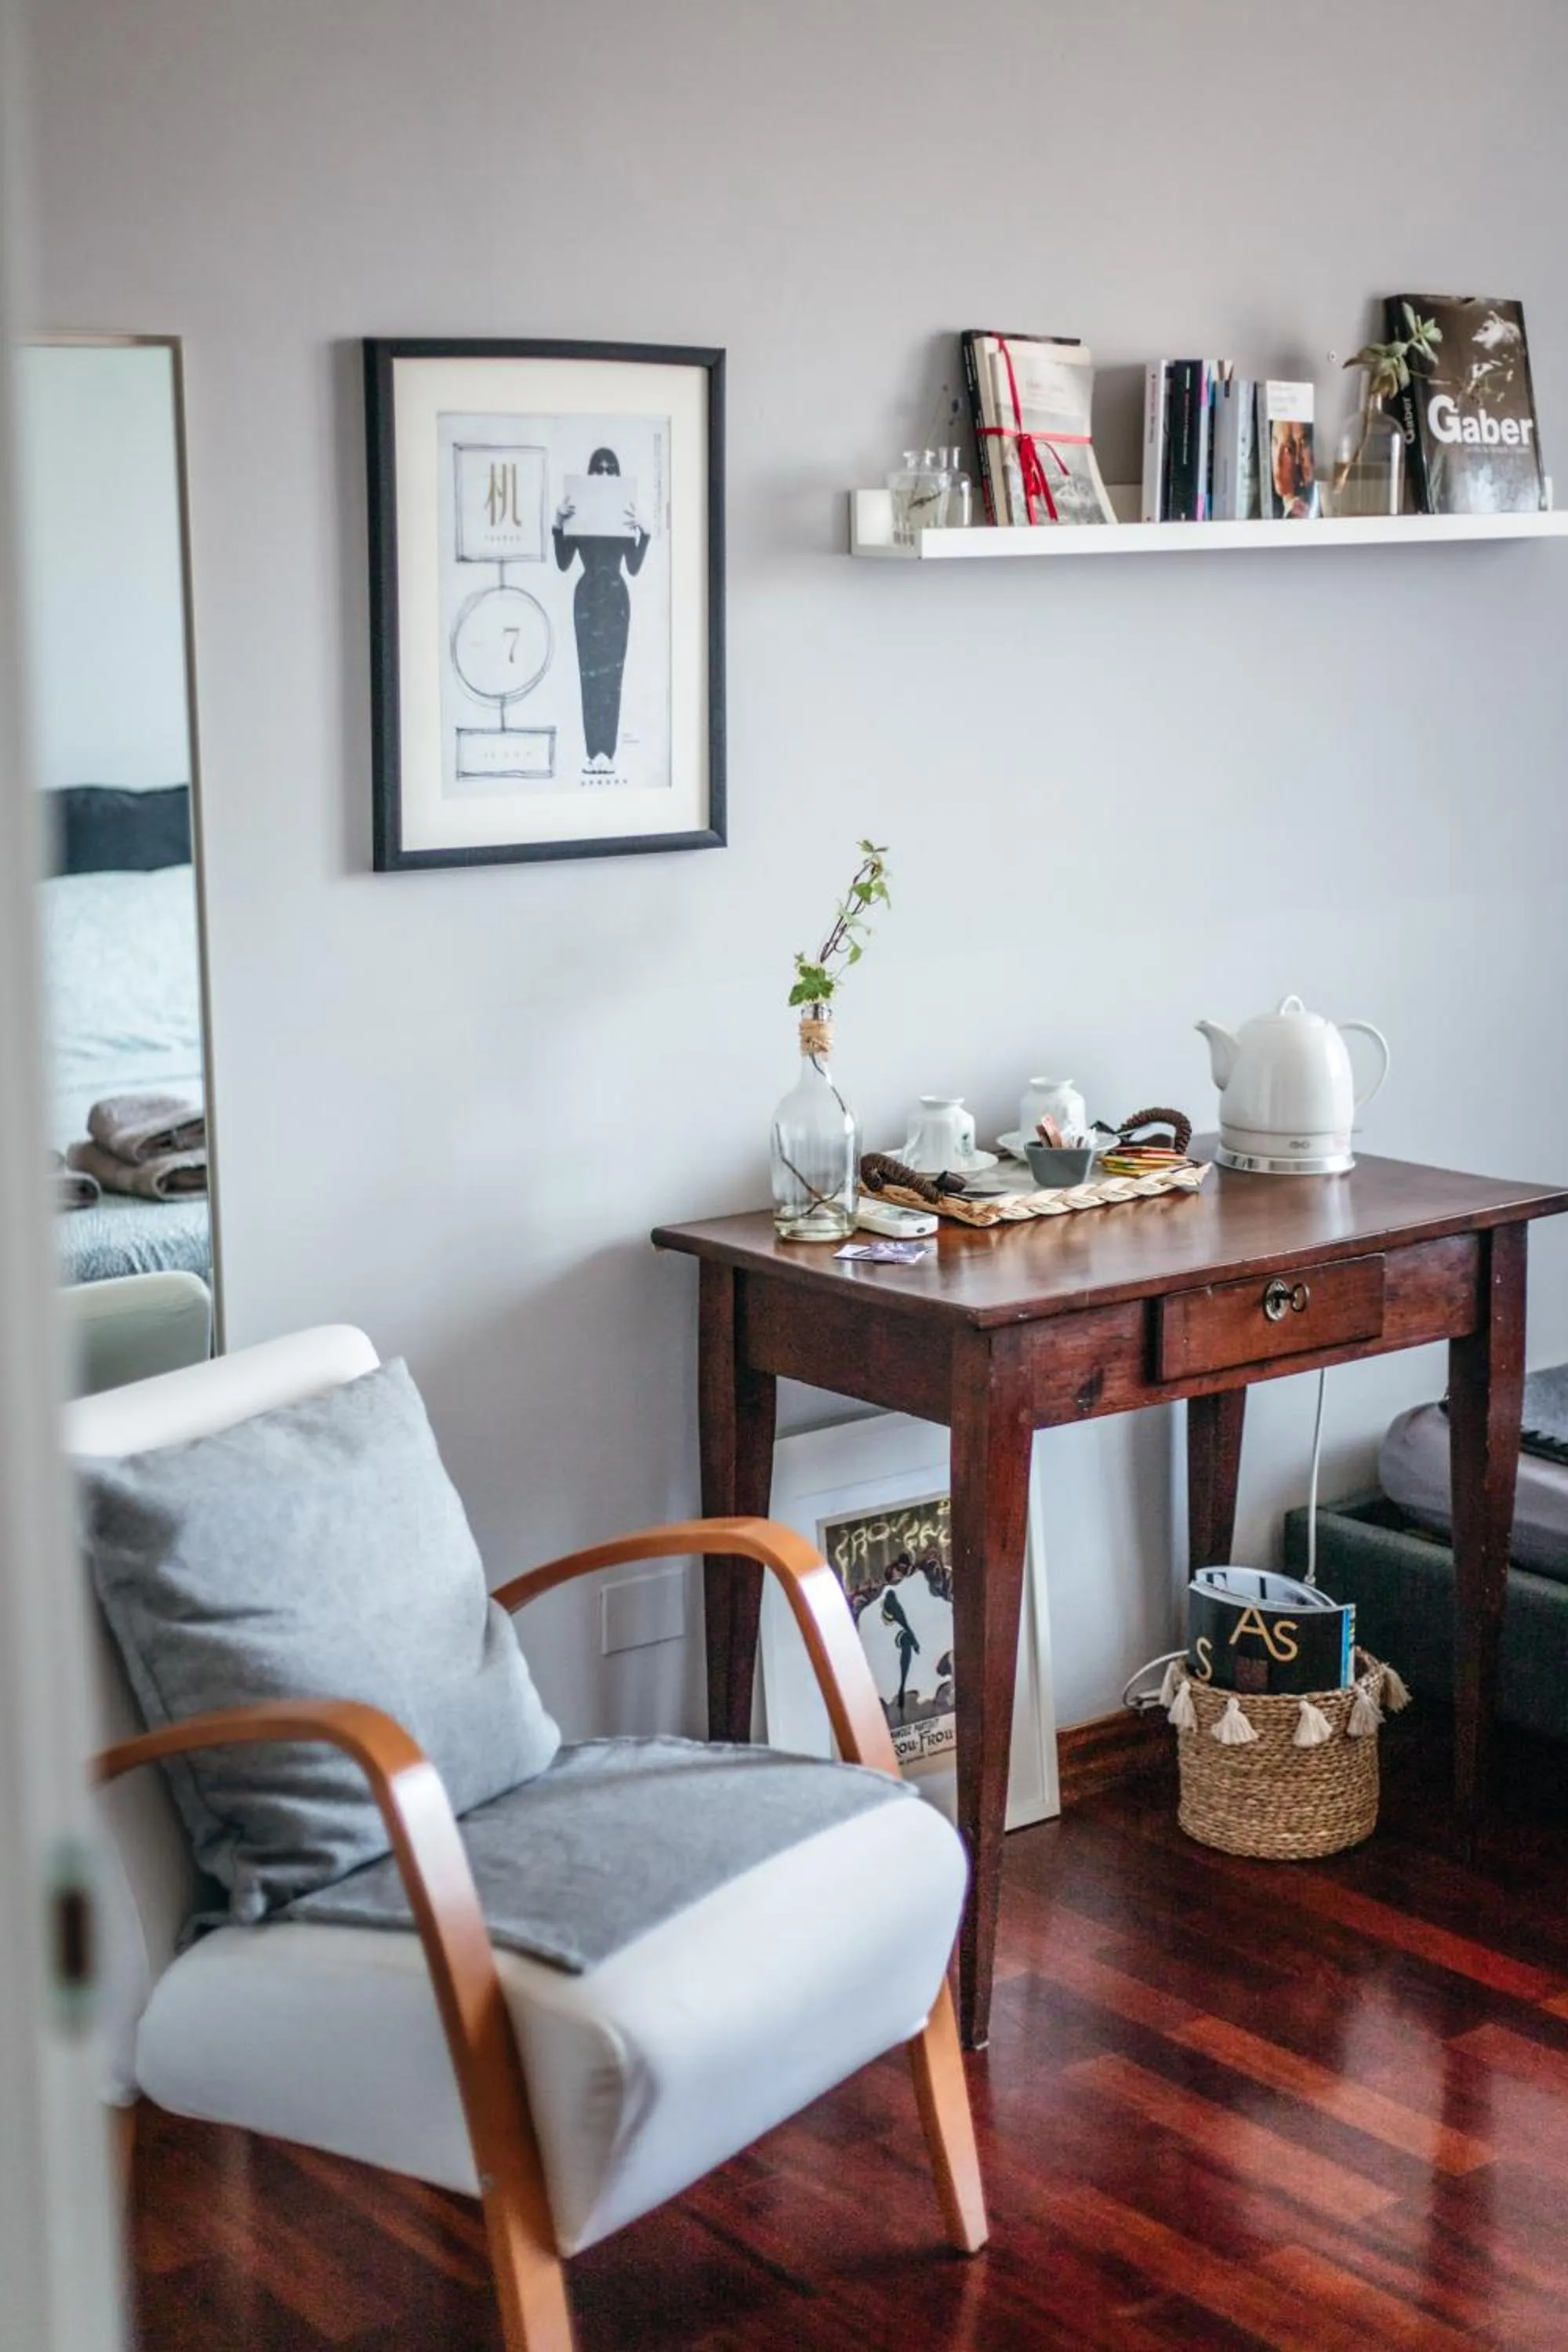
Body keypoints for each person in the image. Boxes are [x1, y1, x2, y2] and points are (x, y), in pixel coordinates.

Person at [552, 447, 648, 772]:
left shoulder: (623, 514)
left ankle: (608, 752)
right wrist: (558, 524)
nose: (605, 474)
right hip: (587, 596)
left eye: (610, 469)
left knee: (613, 677)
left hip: (617, 597)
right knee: (589, 675)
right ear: (590, 474)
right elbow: (564, 562)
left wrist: (643, 532)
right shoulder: (580, 513)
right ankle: (593, 753)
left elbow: (633, 567)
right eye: (599, 469)